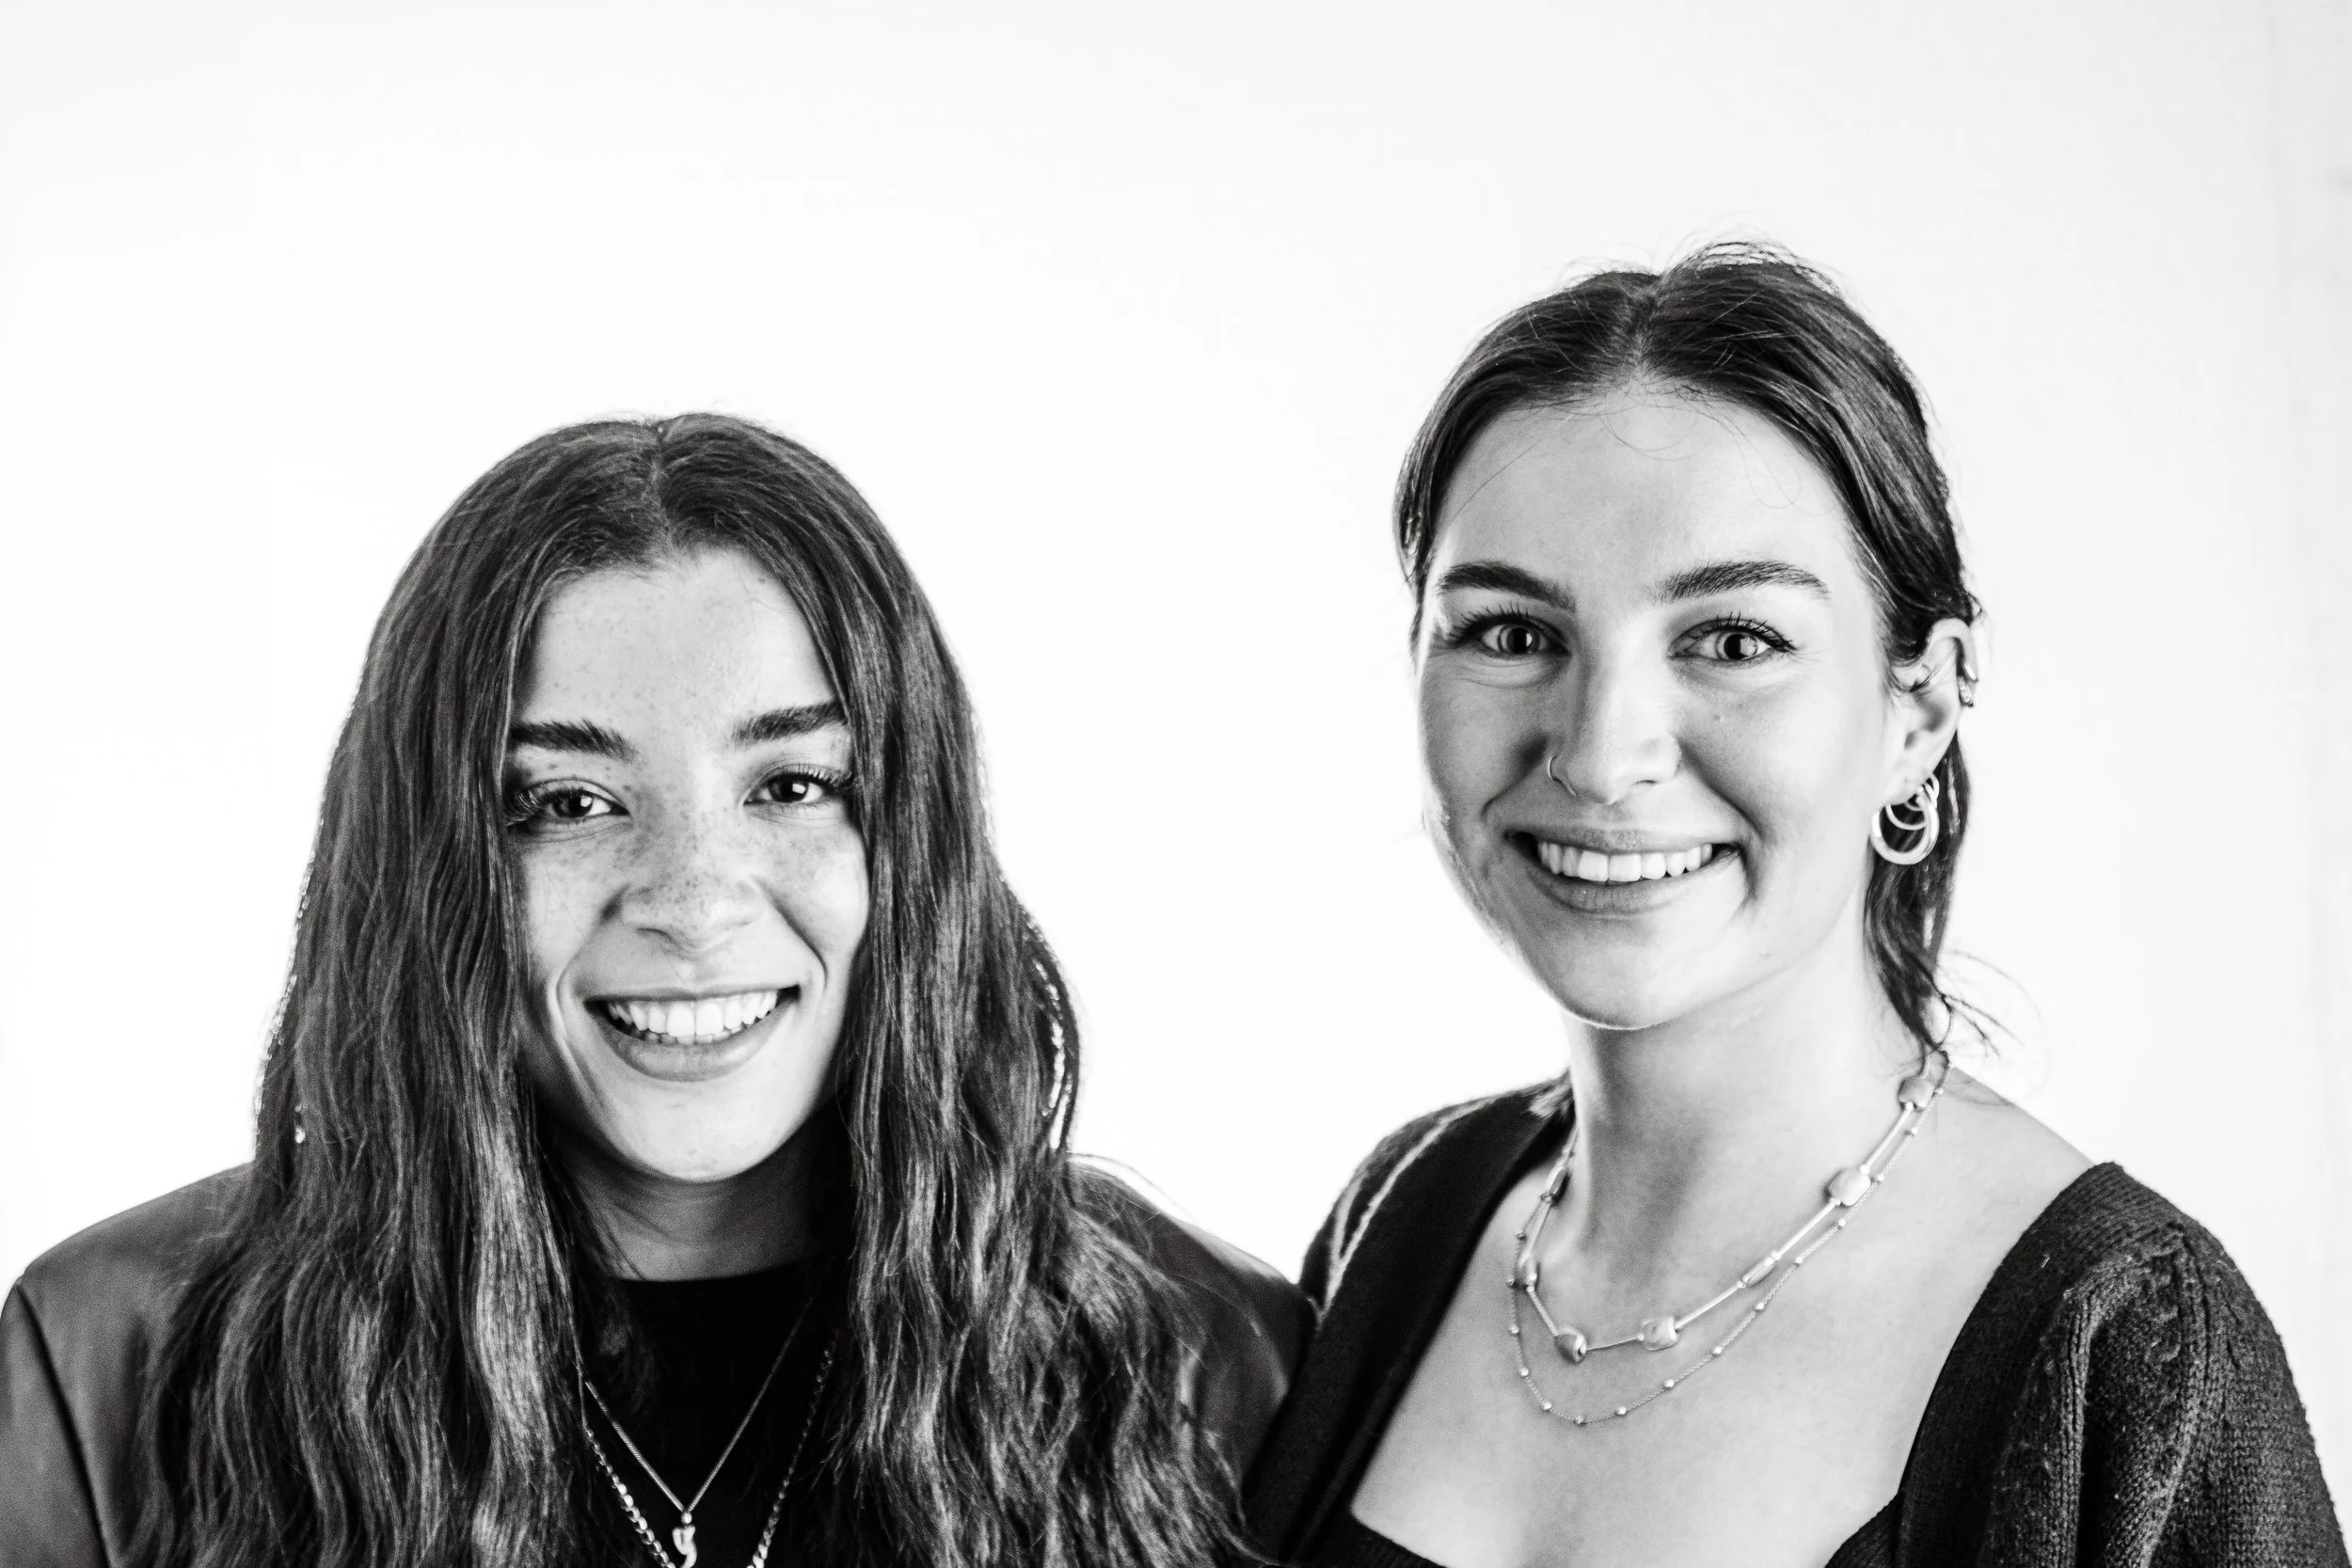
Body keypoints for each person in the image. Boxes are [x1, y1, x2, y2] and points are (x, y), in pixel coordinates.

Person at [0, 415, 1305, 1568]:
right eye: (570, 803)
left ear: (914, 839)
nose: (692, 897)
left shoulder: (1211, 1355)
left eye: (790, 786)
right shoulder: (106, 1360)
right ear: (429, 869)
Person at [1244, 246, 2344, 1567]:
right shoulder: (1408, 1213)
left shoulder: (2122, 1348)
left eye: (1732, 640)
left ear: (1920, 710)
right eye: (1510, 632)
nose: (1600, 754)